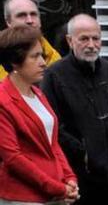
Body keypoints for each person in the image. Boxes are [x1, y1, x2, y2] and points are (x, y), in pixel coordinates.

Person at [41, 14, 108, 205]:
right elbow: (53, 125)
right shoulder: (54, 76)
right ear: (70, 40)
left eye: (96, 38)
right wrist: (84, 154)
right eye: (84, 39)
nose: (91, 44)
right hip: (81, 176)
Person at [0, 25, 78, 204]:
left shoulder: (38, 93)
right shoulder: (3, 100)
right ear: (14, 61)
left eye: (42, 55)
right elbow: (13, 158)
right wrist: (58, 188)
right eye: (35, 56)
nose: (43, 62)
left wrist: (70, 178)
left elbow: (53, 143)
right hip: (22, 197)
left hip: (52, 193)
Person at [1, 0, 62, 80]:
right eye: (21, 15)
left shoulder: (54, 58)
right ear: (8, 22)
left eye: (33, 14)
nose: (29, 20)